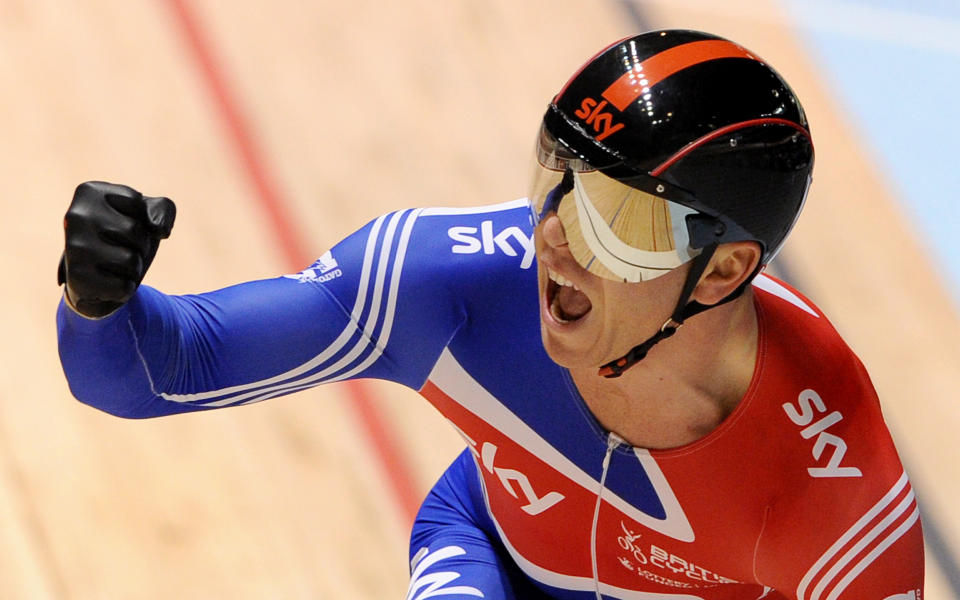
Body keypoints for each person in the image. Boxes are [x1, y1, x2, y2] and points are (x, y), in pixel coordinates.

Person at [56, 30, 924, 599]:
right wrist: (97, 298)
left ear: (723, 269)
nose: (554, 241)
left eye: (619, 224)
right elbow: (152, 373)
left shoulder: (834, 498)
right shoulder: (447, 284)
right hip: (495, 554)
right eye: (558, 184)